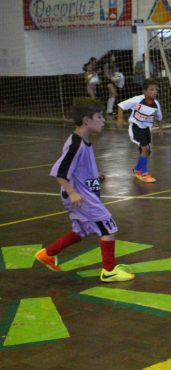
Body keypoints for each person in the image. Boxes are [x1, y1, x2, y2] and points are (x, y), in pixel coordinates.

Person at [35, 100, 135, 283]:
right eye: (99, 117)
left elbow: (80, 172)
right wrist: (72, 193)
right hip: (80, 197)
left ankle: (47, 253)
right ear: (86, 121)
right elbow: (60, 173)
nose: (103, 121)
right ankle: (109, 271)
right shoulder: (76, 145)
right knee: (108, 226)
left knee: (81, 230)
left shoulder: (83, 142)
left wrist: (97, 180)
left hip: (84, 193)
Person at [117, 79, 163, 183]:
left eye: (156, 90)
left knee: (147, 151)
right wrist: (120, 119)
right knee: (145, 148)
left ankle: (137, 170)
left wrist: (161, 129)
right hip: (136, 127)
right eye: (151, 89)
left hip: (147, 129)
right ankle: (144, 173)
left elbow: (159, 117)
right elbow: (120, 105)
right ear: (144, 91)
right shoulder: (137, 100)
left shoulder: (156, 104)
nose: (155, 92)